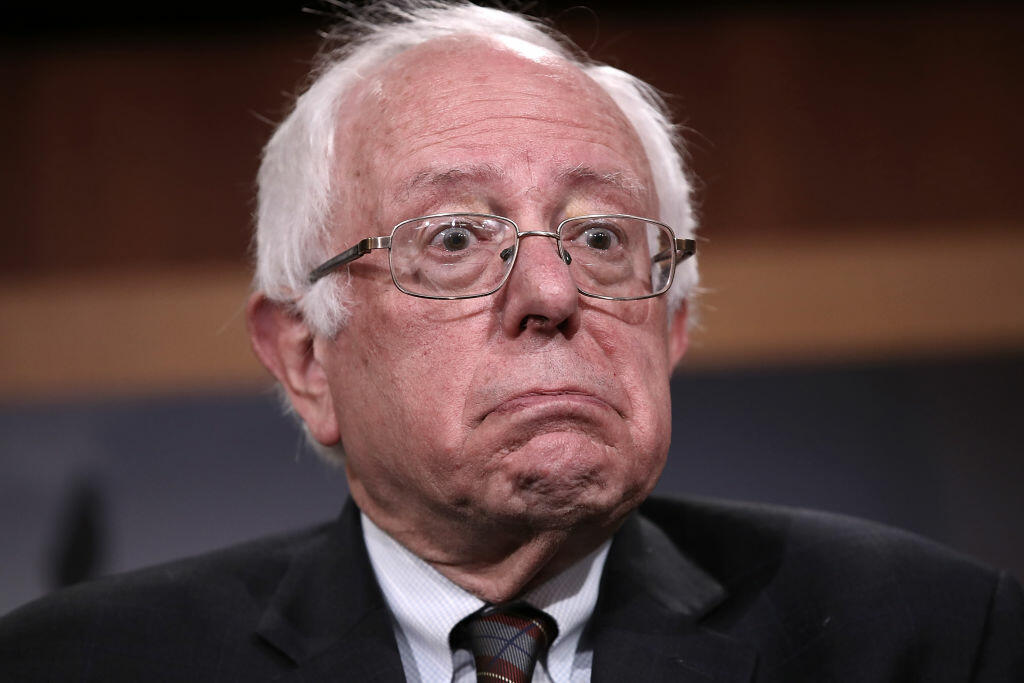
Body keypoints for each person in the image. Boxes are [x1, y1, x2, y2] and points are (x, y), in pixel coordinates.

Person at [1, 2, 1021, 681]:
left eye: (601, 238)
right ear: (307, 356)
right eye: (453, 239)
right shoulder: (82, 664)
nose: (550, 290)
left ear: (670, 328)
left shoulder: (927, 637)